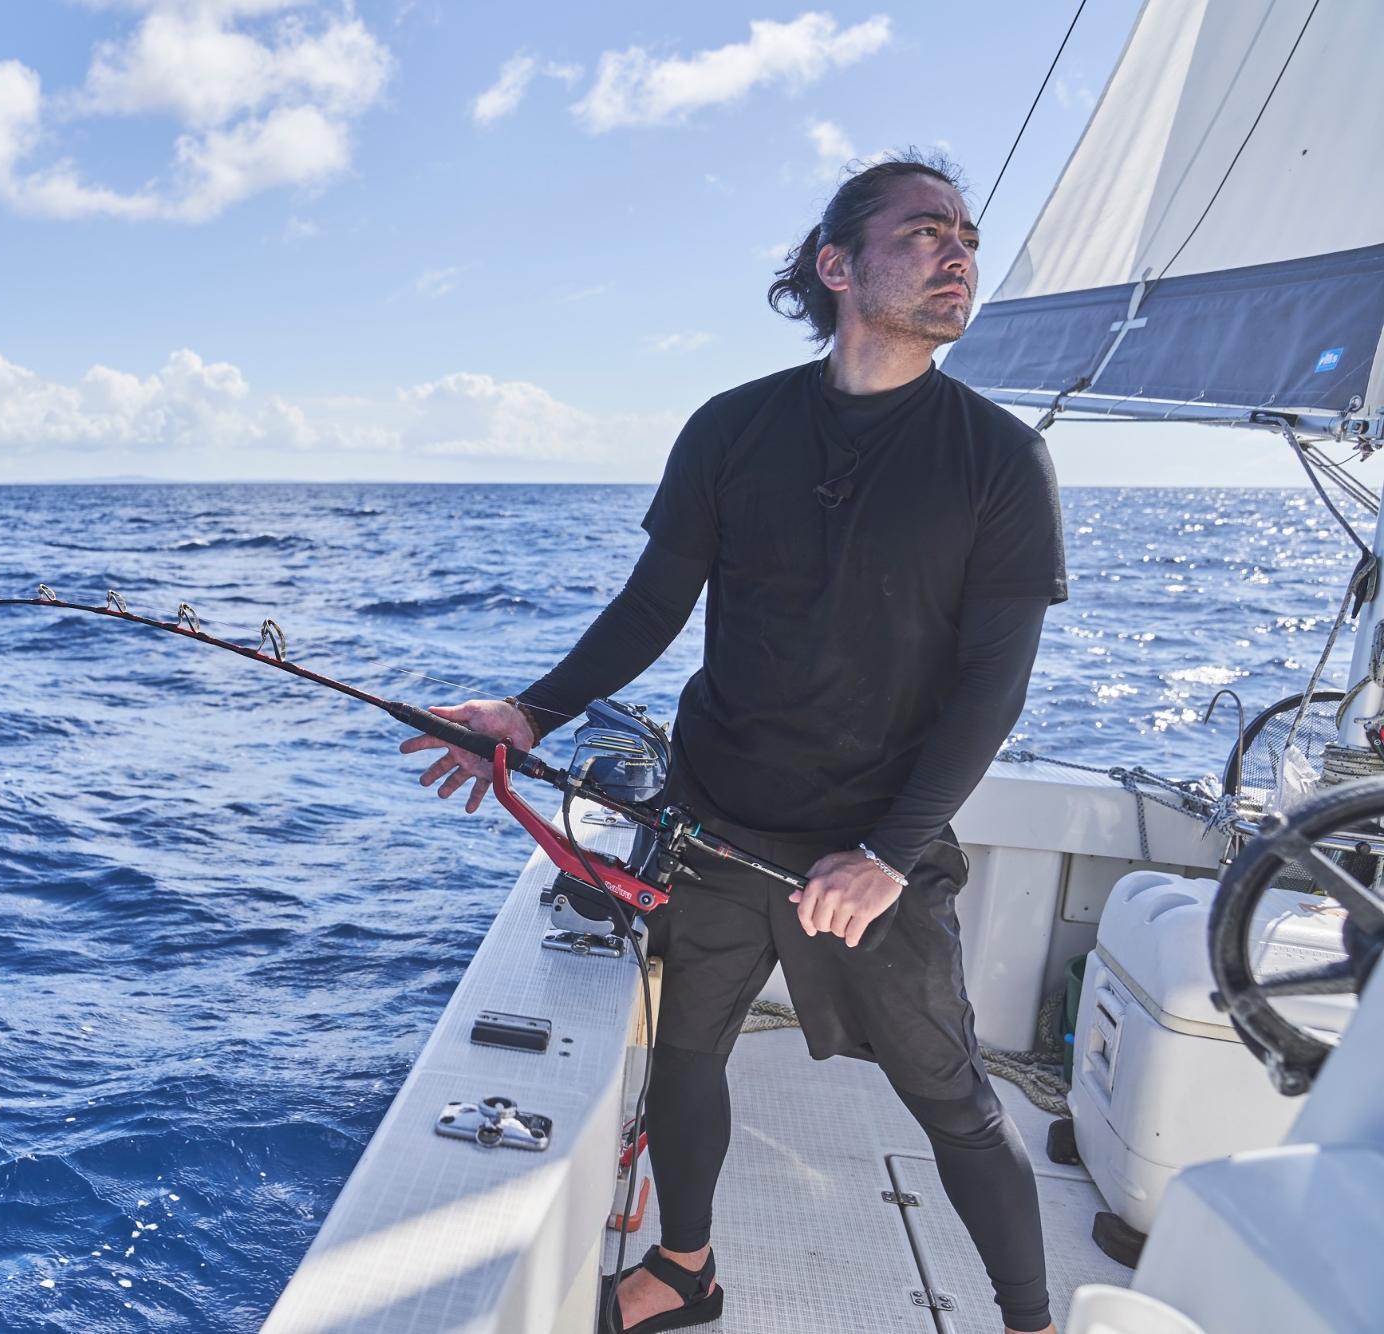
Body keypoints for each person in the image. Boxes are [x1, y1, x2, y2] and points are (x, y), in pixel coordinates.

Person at [400, 152, 1067, 1334]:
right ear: (835, 265)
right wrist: (530, 713)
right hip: (710, 812)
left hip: (872, 846)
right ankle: (686, 1267)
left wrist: (886, 851)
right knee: (689, 1051)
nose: (956, 251)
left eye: (964, 232)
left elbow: (991, 688)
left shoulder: (1000, 460)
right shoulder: (732, 427)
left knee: (949, 1096)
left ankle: (1030, 1323)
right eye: (922, 231)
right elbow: (651, 606)